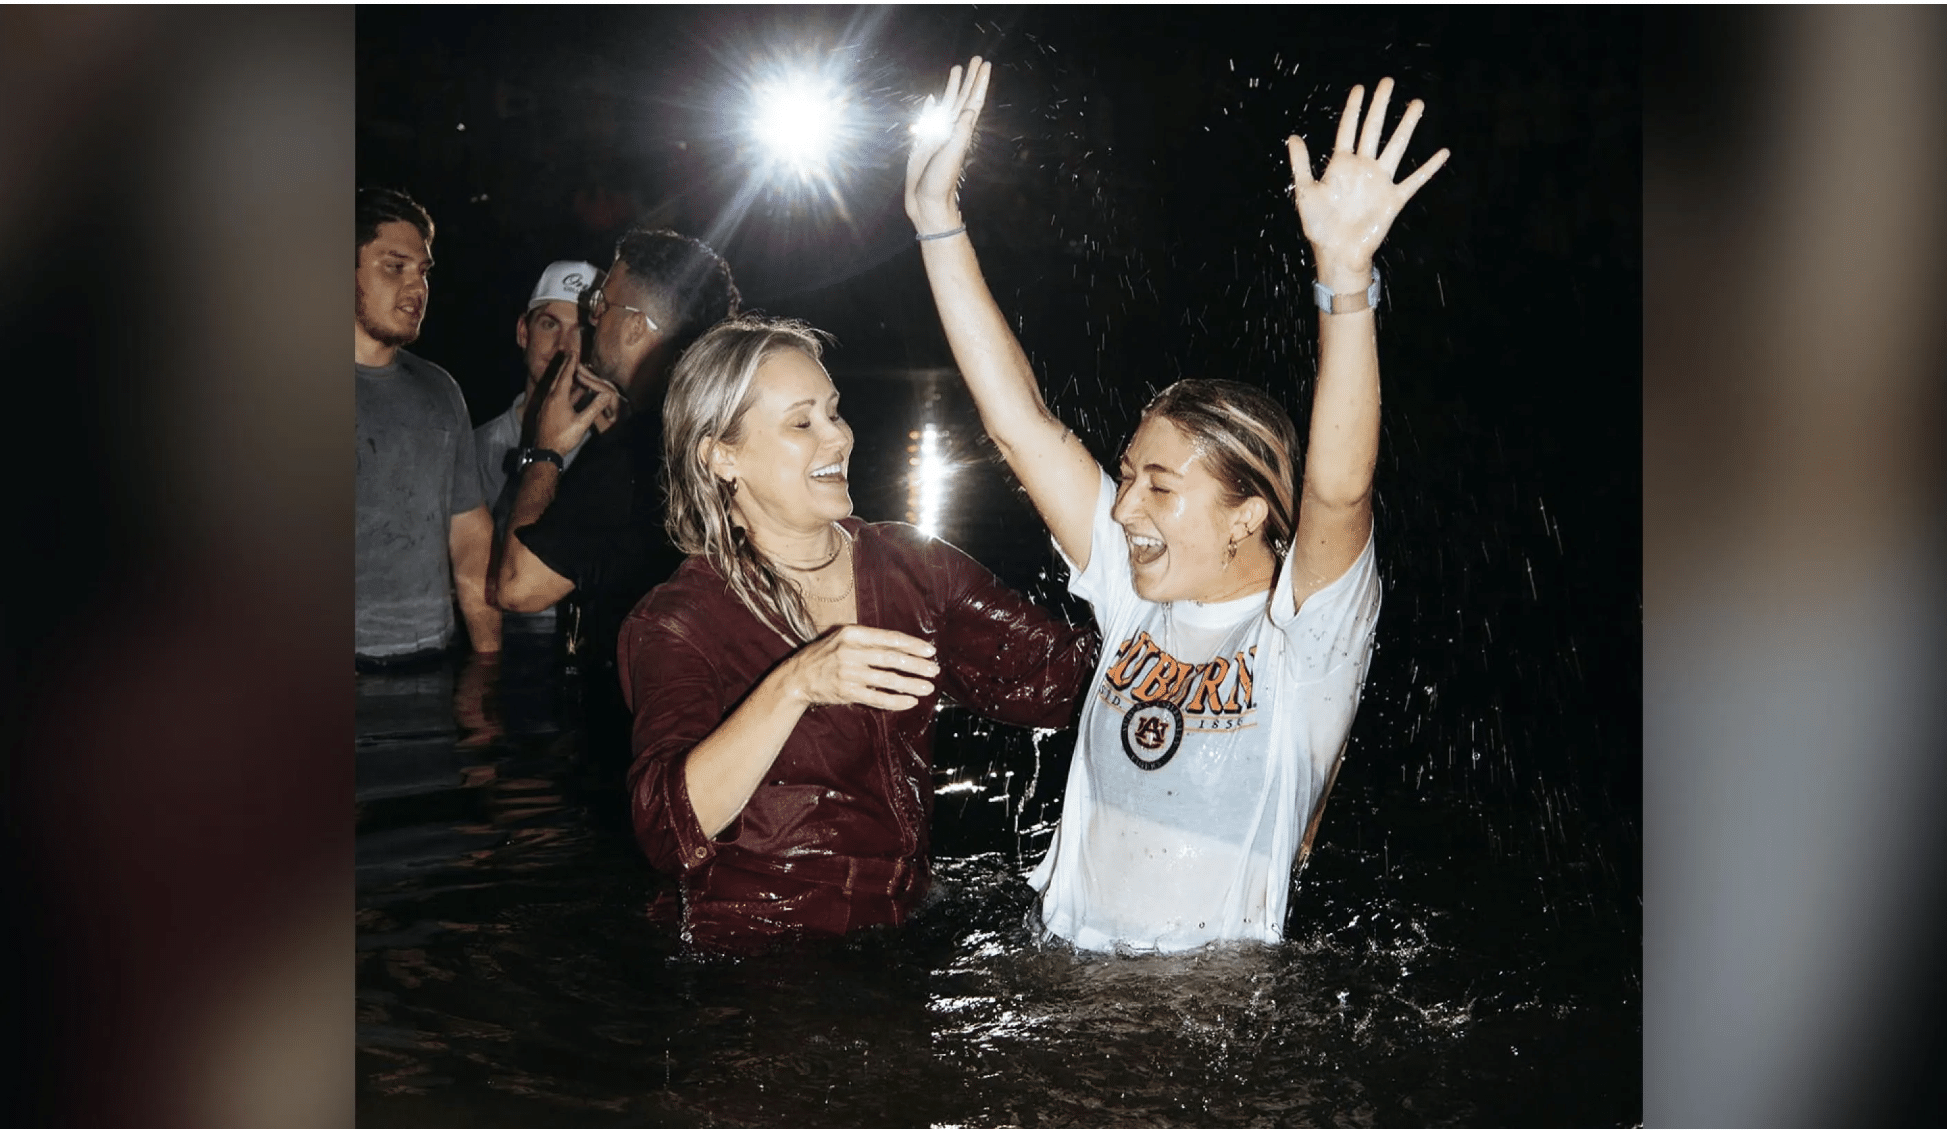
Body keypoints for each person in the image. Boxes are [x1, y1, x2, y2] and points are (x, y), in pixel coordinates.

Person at [907, 60, 1449, 952]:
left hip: (1207, 1033)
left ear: (1248, 512)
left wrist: (1345, 279)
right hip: (1064, 993)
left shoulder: (1304, 640)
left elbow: (1337, 486)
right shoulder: (1133, 593)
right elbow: (1021, 425)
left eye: (1160, 485)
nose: (1124, 511)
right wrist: (936, 222)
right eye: (1127, 478)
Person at [619, 316, 1099, 954]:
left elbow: (1065, 683)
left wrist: (1200, 614)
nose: (838, 437)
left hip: (896, 934)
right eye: (802, 422)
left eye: (834, 413)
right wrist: (796, 682)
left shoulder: (910, 567)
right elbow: (669, 829)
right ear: (721, 455)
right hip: (748, 954)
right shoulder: (678, 620)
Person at [494, 228, 738, 667]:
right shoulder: (718, 426)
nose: (591, 320)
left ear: (633, 326)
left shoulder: (632, 452)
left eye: (600, 306)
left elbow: (517, 588)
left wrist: (545, 452)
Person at [354, 187, 503, 664]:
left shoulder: (439, 391)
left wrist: (487, 666)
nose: (417, 288)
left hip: (430, 666)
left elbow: (470, 540)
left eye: (423, 272)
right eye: (394, 267)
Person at [473, 259, 603, 516]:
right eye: (550, 324)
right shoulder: (476, 451)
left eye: (582, 331)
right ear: (523, 332)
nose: (563, 346)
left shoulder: (612, 449)